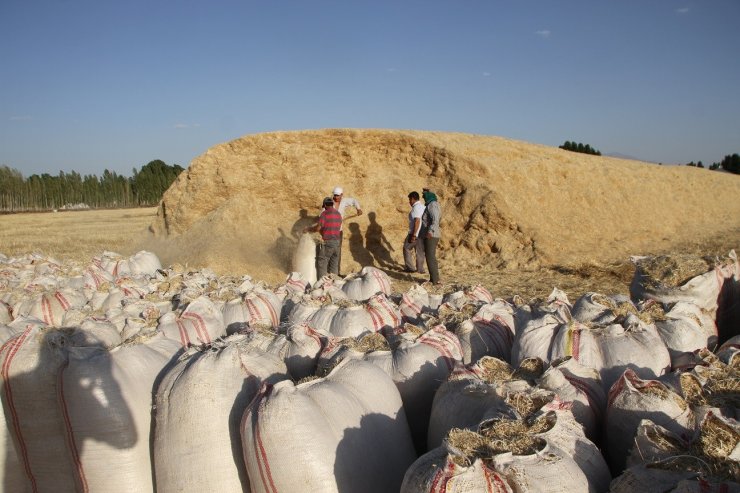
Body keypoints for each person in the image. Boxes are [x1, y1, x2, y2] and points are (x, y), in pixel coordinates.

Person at [305, 197, 343, 278]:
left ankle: (321, 285)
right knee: (334, 265)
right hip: (337, 243)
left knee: (322, 262)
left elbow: (318, 228)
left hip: (328, 242)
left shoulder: (325, 214)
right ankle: (334, 284)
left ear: (325, 205)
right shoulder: (338, 214)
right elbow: (334, 227)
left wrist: (309, 229)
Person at [330, 186, 362, 275]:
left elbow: (354, 201)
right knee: (328, 251)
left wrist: (358, 208)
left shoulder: (344, 201)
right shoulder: (328, 202)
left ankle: (336, 273)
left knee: (337, 252)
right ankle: (328, 272)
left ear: (341, 195)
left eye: (337, 195)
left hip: (338, 231)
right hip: (328, 231)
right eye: (335, 195)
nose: (335, 197)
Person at [420, 190, 442, 284]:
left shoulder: (432, 205)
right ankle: (433, 279)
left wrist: (430, 231)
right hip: (430, 234)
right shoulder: (430, 205)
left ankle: (435, 280)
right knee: (429, 256)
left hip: (431, 235)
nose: (424, 198)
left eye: (425, 196)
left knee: (430, 257)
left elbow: (435, 219)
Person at [402, 191, 426, 274]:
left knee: (406, 248)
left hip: (415, 233)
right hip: (422, 232)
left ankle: (410, 268)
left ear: (413, 199)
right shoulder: (423, 206)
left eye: (409, 199)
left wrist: (414, 235)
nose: (409, 202)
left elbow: (417, 221)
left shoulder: (416, 207)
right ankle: (420, 269)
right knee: (420, 251)